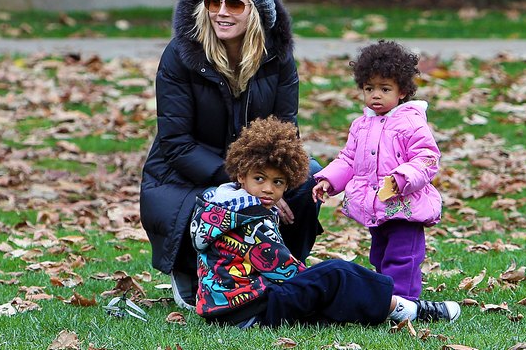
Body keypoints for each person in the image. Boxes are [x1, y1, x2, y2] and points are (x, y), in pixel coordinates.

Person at [139, 0, 322, 310]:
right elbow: (176, 143)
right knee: (213, 201)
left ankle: (283, 266)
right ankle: (190, 269)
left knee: (308, 176)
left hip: (255, 166)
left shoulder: (277, 57)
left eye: (234, 4)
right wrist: (242, 183)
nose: (221, 12)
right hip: (185, 172)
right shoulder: (181, 54)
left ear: (255, 11)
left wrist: (274, 180)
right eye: (213, 2)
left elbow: (286, 133)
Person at [190, 116, 460, 328]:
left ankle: (387, 305)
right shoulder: (251, 218)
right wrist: (318, 276)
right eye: (259, 178)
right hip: (249, 310)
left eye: (278, 182)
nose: (268, 189)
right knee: (335, 274)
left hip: (221, 309)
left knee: (331, 299)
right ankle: (406, 307)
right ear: (241, 174)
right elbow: (286, 273)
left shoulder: (216, 204)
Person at [312, 39, 442, 301]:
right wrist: (328, 179)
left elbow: (427, 158)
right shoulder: (361, 125)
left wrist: (402, 178)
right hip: (376, 207)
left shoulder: (410, 122)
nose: (376, 95)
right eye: (369, 88)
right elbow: (348, 159)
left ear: (402, 91)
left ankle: (404, 302)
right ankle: (386, 298)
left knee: (403, 257)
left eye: (385, 89)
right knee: (380, 255)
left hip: (406, 208)